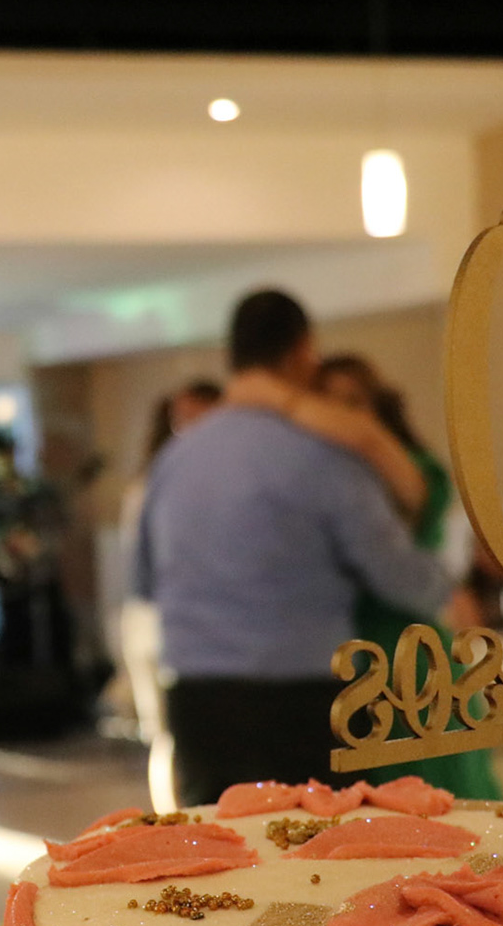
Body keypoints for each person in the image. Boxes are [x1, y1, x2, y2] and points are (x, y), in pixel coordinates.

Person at [133, 290, 455, 806]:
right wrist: (446, 581)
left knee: (216, 844)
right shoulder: (322, 457)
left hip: (196, 698)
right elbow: (399, 576)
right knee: (312, 847)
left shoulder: (174, 459)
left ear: (232, 355)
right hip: (302, 700)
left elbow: (144, 581)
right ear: (304, 351)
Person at [314, 355, 501, 800]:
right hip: (347, 660)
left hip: (413, 656)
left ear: (376, 407)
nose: (341, 415)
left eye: (353, 402)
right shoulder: (319, 478)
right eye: (328, 403)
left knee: (436, 793)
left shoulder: (407, 468)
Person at [117, 381, 222, 743]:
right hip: (161, 621)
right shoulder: (157, 482)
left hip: (192, 626)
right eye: (183, 419)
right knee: (168, 736)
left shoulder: (215, 480)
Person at [0, 432, 72, 670]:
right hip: (11, 579)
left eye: (5, 455)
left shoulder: (35, 490)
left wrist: (38, 541)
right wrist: (6, 539)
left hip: (39, 574)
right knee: (15, 629)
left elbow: (57, 521)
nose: (2, 462)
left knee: (52, 625)